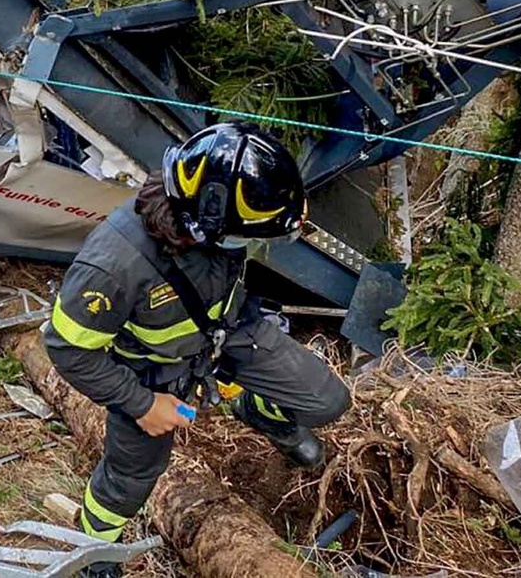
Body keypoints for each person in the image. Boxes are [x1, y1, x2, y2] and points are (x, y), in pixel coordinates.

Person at [45, 122, 350, 555]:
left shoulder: (213, 211)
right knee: (128, 481)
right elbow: (66, 348)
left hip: (228, 332)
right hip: (151, 373)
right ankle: (93, 552)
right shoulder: (113, 267)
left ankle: (258, 410)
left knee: (326, 400)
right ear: (205, 222)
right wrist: (142, 404)